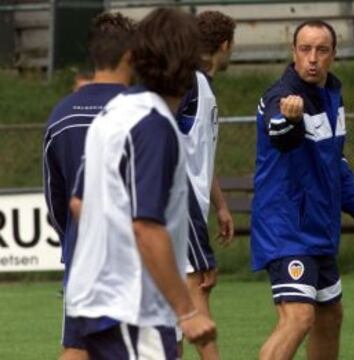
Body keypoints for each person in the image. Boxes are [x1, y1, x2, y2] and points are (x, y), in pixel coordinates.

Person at [65, 8, 216, 359]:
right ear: (189, 63)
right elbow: (146, 227)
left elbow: (78, 203)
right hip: (132, 306)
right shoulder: (154, 125)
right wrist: (188, 312)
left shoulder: (114, 113)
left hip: (99, 299)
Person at [251, 20, 354, 360]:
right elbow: (280, 135)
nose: (312, 58)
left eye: (321, 50)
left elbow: (334, 158)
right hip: (287, 227)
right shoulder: (280, 97)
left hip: (319, 228)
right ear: (293, 53)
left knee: (330, 316)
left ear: (333, 55)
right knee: (298, 318)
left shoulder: (332, 95)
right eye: (305, 49)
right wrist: (290, 120)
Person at [42, 12, 134, 360]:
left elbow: (55, 196)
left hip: (84, 254)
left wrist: (75, 238)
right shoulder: (144, 111)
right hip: (136, 255)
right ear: (132, 55)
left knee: (78, 346)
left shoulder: (61, 115)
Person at [175, 10, 236, 359]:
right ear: (225, 45)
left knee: (173, 311)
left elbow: (199, 153)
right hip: (178, 211)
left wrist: (221, 205)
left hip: (187, 209)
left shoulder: (202, 87)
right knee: (198, 294)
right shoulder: (189, 84)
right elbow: (170, 151)